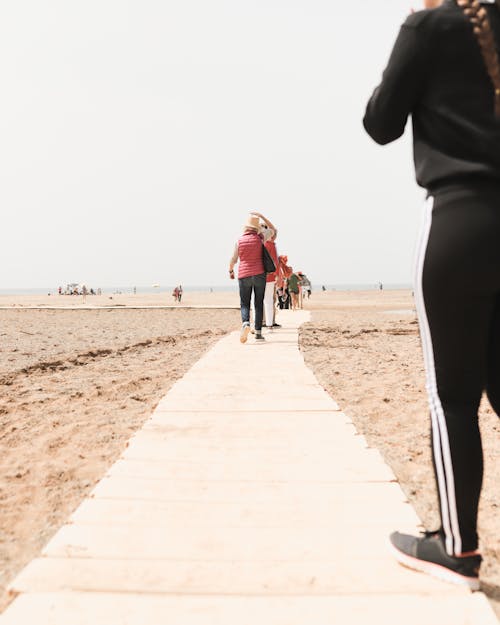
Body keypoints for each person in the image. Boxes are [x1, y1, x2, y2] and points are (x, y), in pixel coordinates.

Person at [363, 0, 500, 590]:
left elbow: (380, 123)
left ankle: (457, 548)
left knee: (453, 398)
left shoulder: (431, 24)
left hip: (459, 220)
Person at [229, 215, 267, 342]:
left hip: (244, 274)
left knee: (245, 302)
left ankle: (246, 323)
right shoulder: (261, 238)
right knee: (258, 303)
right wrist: (262, 221)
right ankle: (258, 332)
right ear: (257, 228)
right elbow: (272, 231)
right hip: (259, 273)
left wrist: (230, 270)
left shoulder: (239, 241)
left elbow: (233, 259)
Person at [251, 211, 280, 329]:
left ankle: (263, 323)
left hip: (261, 273)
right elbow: (273, 229)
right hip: (266, 274)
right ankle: (267, 324)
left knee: (262, 299)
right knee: (267, 300)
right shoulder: (265, 241)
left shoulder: (259, 241)